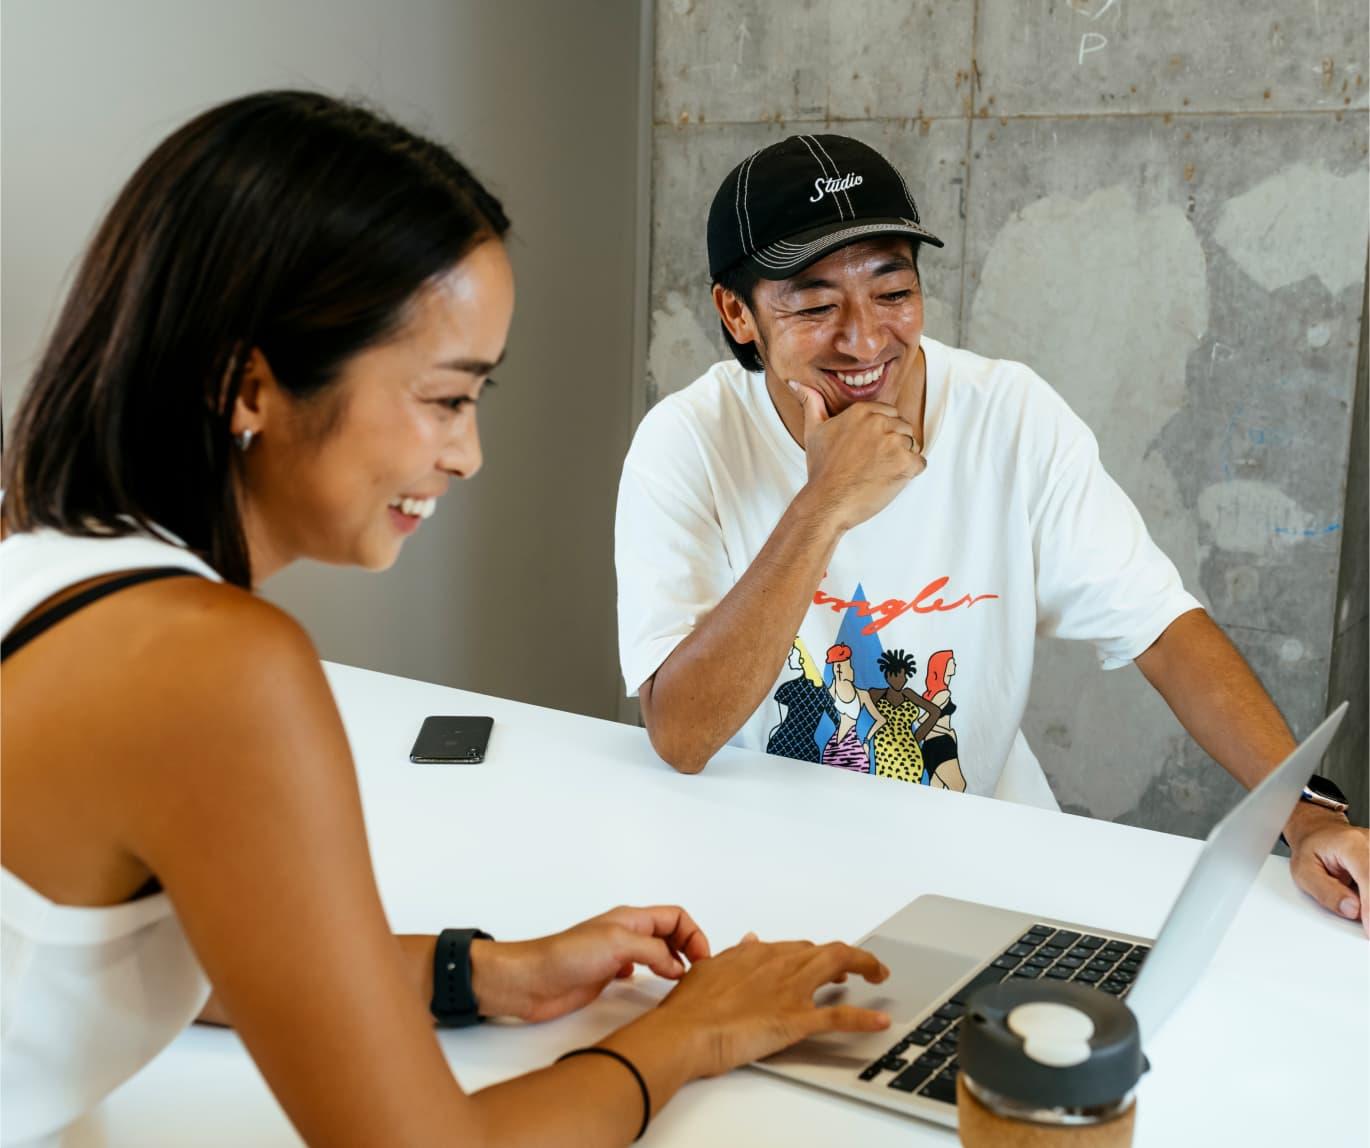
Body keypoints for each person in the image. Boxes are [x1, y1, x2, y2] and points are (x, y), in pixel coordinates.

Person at [0, 95, 895, 1148]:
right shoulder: (216, 668)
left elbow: (171, 947)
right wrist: (687, 1033)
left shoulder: (42, 559)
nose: (468, 455)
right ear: (249, 383)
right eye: (444, 397)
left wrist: (483, 969)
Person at [614, 133, 1369, 936]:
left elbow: (1163, 629)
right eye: (813, 303)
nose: (866, 340)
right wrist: (823, 504)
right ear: (738, 312)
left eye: (891, 291)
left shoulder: (1010, 415)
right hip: (759, 865)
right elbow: (683, 733)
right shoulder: (685, 444)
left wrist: (1310, 814)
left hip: (980, 862)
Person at [867, 648, 942, 785]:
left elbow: (935, 712)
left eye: (904, 676)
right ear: (888, 676)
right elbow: (861, 699)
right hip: (884, 755)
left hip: (910, 755)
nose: (902, 679)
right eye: (897, 675)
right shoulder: (876, 694)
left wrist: (916, 738)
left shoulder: (908, 694)